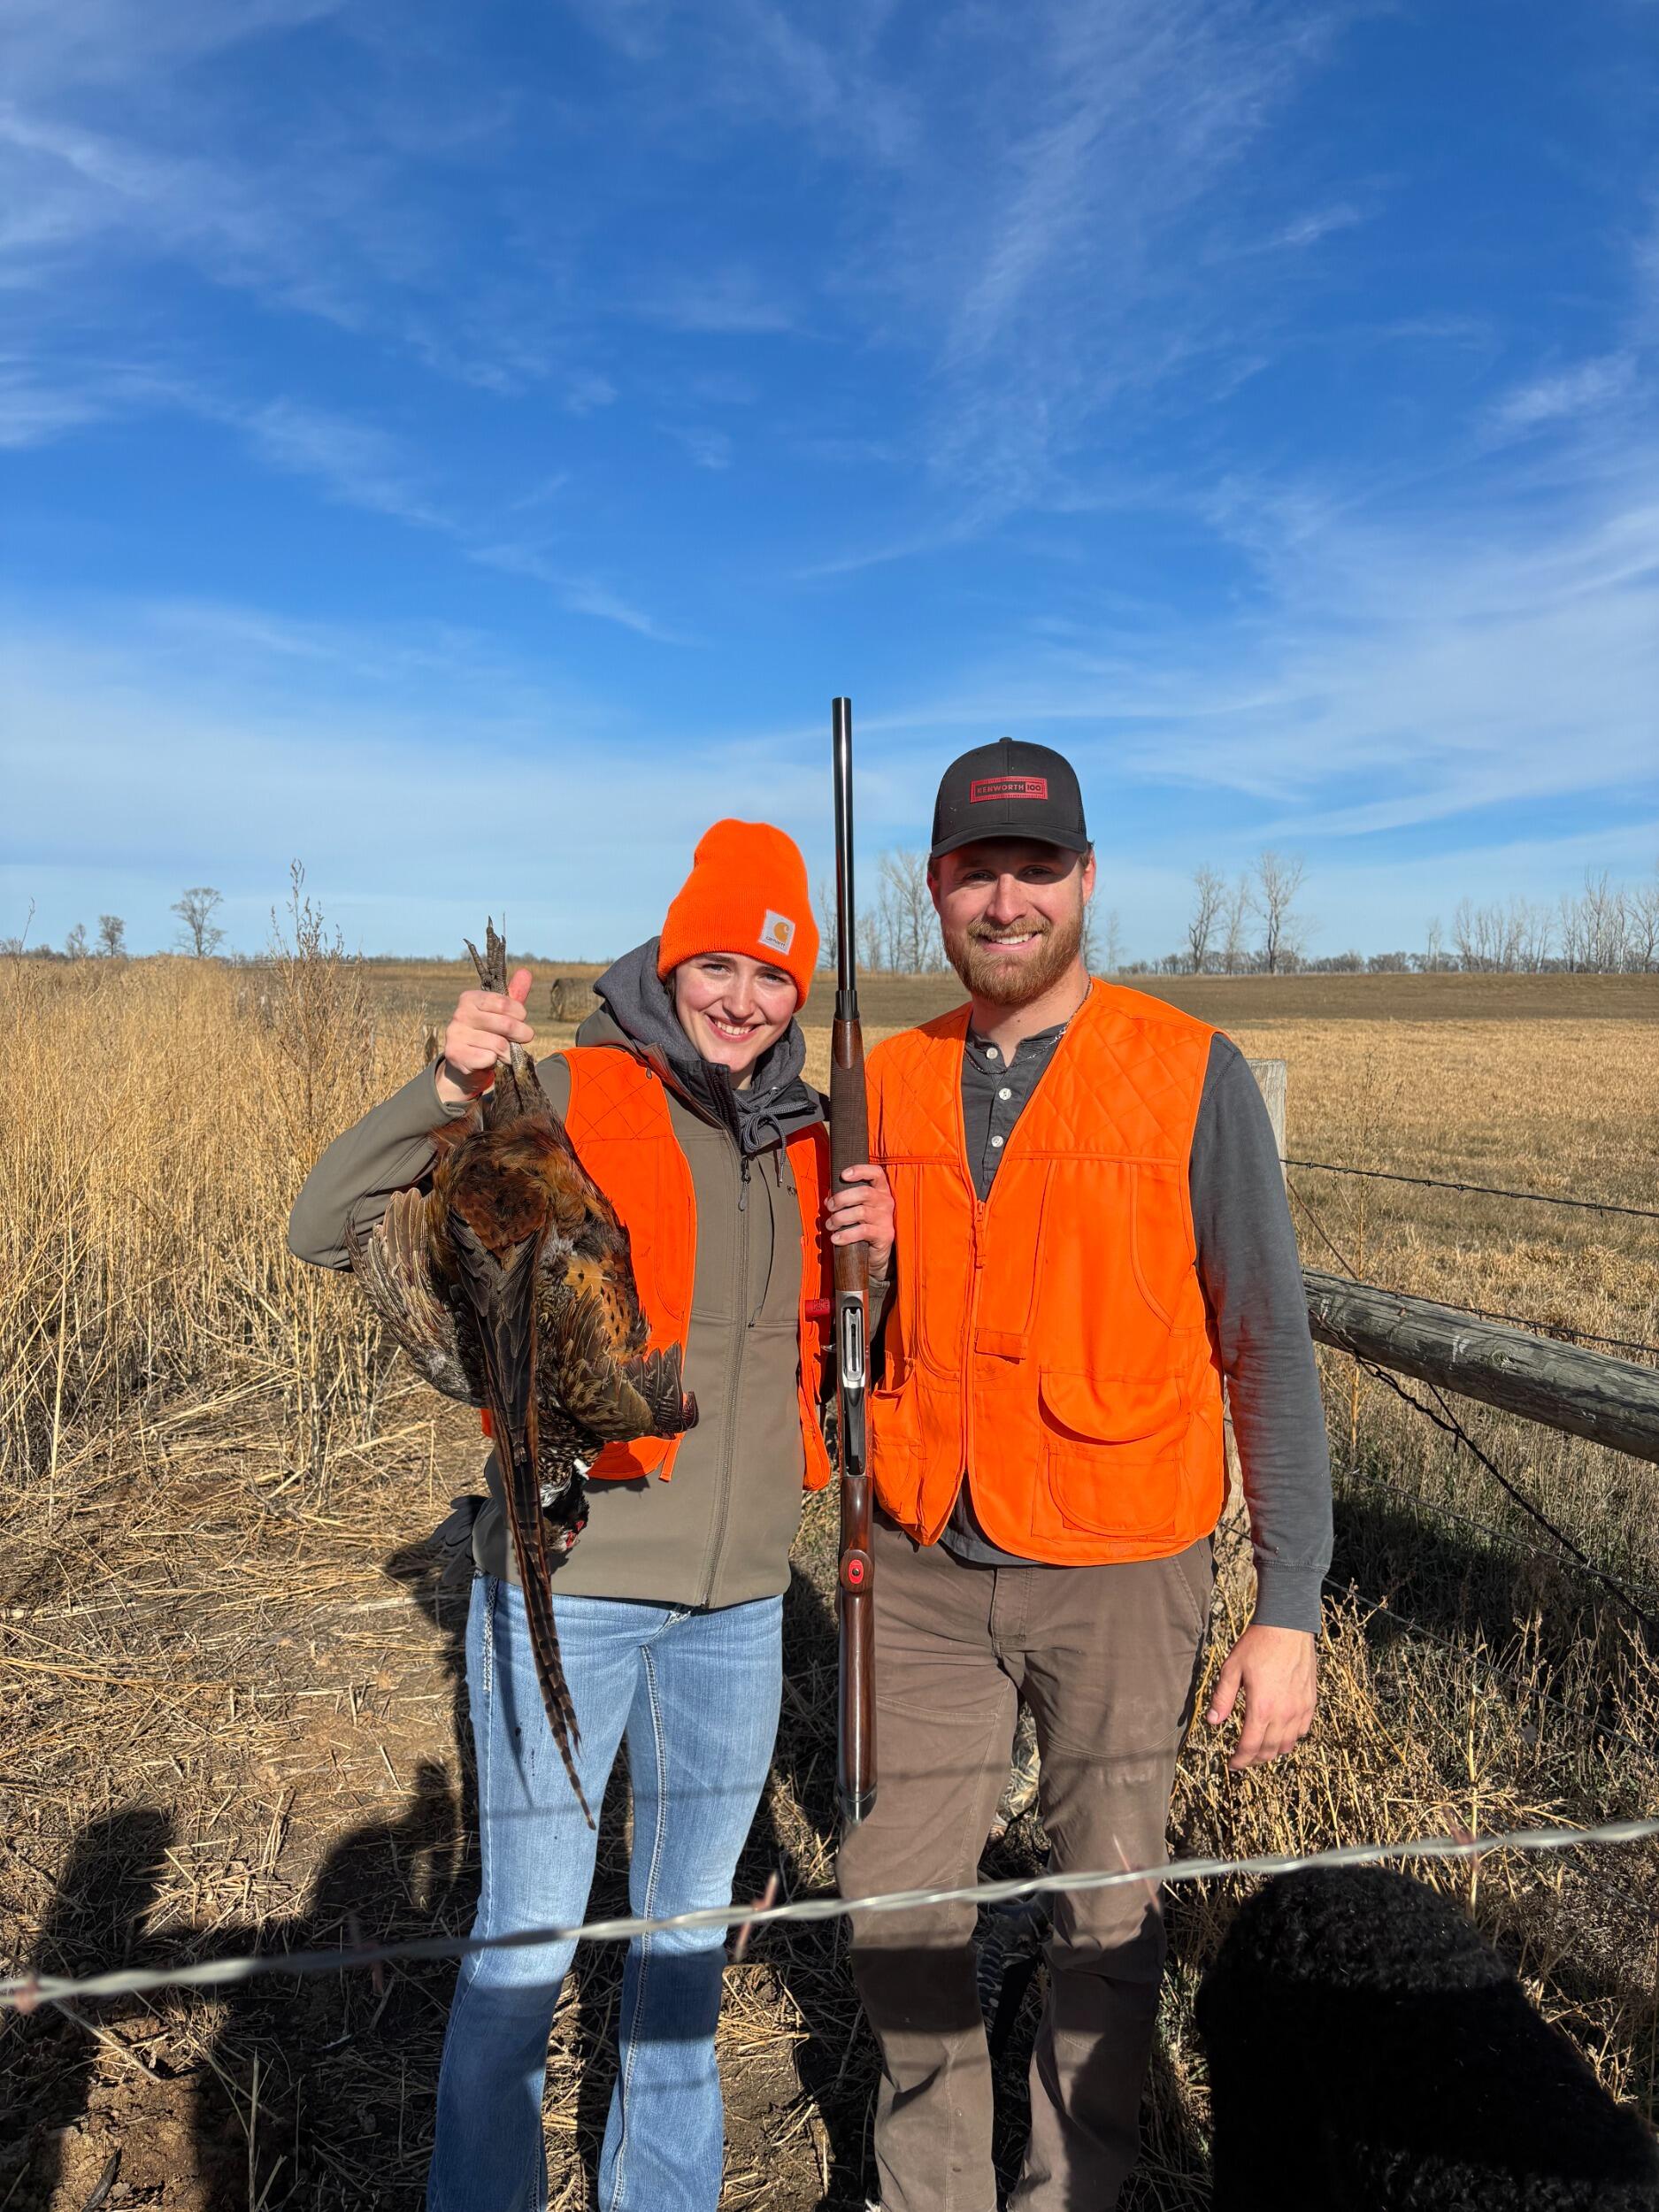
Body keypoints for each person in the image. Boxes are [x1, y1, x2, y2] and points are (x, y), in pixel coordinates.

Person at [288, 818, 895, 2212]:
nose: (744, 997)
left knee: (683, 1944)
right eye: (719, 963)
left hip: (740, 1610)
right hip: (574, 1584)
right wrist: (448, 1084)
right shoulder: (564, 1093)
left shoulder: (812, 1143)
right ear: (671, 958)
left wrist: (884, 1263)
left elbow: (836, 1361)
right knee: (527, 1939)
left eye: (776, 975)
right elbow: (327, 1224)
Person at [837, 740, 1333, 2212]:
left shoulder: (1190, 1073)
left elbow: (1267, 1344)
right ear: (932, 888)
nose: (1007, 900)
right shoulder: (884, 1073)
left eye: (1036, 870)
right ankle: (931, 2193)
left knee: (1105, 1920)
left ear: (1087, 881)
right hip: (921, 1561)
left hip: (1126, 1567)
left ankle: (1074, 2191)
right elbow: (840, 1323)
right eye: (977, 871)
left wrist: (1286, 1602)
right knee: (897, 1909)